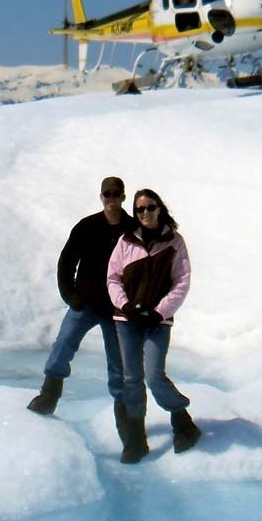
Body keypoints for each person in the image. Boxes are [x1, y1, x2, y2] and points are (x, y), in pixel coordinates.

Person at [28, 177, 137, 442]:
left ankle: (127, 429)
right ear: (101, 197)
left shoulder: (134, 229)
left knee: (118, 365)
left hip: (116, 308)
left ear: (123, 197)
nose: (111, 198)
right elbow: (66, 261)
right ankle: (49, 395)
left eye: (116, 194)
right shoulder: (87, 226)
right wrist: (70, 295)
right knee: (63, 344)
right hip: (85, 302)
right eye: (107, 194)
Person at [107, 188, 201, 464]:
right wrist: (125, 306)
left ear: (159, 208)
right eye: (139, 209)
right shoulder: (126, 241)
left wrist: (159, 313)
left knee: (153, 375)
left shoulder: (174, 242)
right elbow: (112, 278)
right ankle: (136, 439)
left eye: (149, 207)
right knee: (131, 379)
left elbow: (181, 281)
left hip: (157, 323)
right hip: (127, 320)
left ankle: (181, 419)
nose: (145, 213)